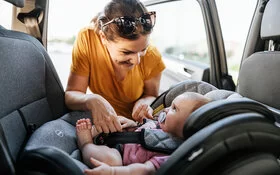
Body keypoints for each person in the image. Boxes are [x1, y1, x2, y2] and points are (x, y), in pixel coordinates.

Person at [65, 0, 166, 134]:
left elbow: (151, 94)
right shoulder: (87, 39)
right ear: (103, 38)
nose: (137, 60)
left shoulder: (153, 56)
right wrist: (92, 100)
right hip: (98, 121)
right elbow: (71, 95)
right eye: (126, 52)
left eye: (143, 49)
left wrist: (143, 103)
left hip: (130, 126)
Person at [76, 92, 211, 175]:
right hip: (119, 140)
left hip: (120, 160)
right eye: (170, 105)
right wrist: (132, 125)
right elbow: (142, 131)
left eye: (174, 109)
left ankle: (85, 144)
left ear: (188, 126)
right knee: (118, 122)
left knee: (112, 160)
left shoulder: (172, 154)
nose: (166, 109)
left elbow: (145, 170)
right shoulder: (158, 125)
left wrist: (113, 172)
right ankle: (96, 134)